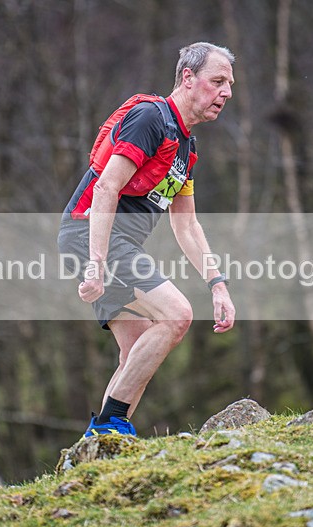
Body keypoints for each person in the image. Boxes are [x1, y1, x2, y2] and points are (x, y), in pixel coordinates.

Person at [58, 42, 236, 438]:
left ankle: (99, 452)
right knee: (177, 314)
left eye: (230, 85)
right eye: (218, 81)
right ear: (188, 78)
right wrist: (96, 262)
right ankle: (106, 425)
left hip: (110, 243)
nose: (226, 93)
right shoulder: (150, 118)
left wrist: (218, 284)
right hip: (91, 234)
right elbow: (106, 188)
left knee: (134, 353)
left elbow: (186, 226)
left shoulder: (186, 147)